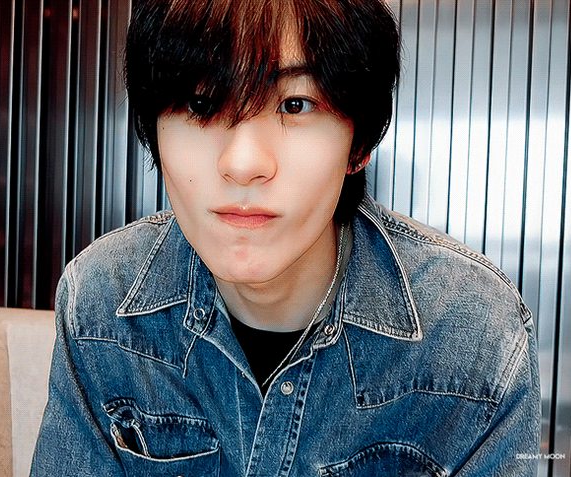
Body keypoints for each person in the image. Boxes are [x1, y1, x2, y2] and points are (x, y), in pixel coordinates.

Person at [31, 0, 541, 475]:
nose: (242, 164)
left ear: (359, 143)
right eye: (201, 103)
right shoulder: (100, 300)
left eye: (295, 105)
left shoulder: (474, 335)